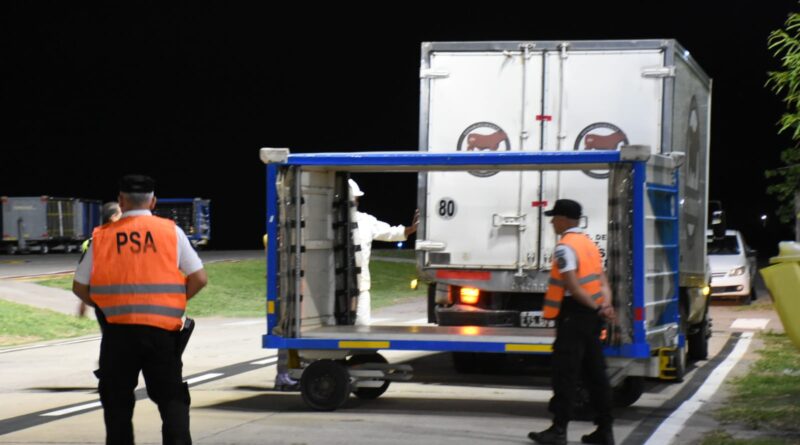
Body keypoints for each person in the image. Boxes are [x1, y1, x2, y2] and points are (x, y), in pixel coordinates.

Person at [72, 175, 208, 445]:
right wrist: (173, 303)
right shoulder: (171, 232)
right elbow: (199, 278)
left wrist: (107, 306)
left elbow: (79, 286)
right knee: (172, 400)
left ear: (121, 201)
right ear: (153, 202)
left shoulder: (102, 237)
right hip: (161, 334)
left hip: (118, 334)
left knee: (117, 404)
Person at [528, 199, 616, 445]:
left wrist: (596, 307)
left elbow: (574, 287)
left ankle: (558, 430)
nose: (552, 223)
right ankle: (605, 430)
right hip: (593, 316)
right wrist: (605, 306)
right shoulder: (589, 244)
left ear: (564, 219)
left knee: (565, 373)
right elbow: (603, 281)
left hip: (574, 315)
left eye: (554, 218)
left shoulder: (565, 247)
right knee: (595, 373)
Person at [349, 179, 418, 326]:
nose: (356, 203)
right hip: (338, 288)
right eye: (354, 200)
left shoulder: (366, 221)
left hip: (361, 287)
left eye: (357, 200)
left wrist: (410, 229)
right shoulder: (330, 222)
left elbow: (390, 232)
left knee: (362, 326)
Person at [77, 202, 122, 320]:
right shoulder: (120, 240)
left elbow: (84, 274)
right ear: (114, 218)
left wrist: (84, 302)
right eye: (121, 214)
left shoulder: (91, 241)